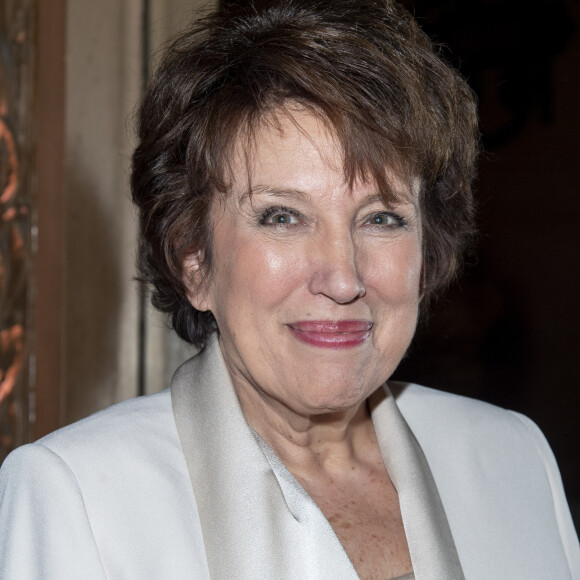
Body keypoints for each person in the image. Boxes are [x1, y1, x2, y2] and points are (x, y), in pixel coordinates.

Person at [1, 0, 578, 578]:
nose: (344, 278)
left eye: (381, 218)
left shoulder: (514, 458)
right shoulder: (76, 496)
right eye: (281, 216)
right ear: (194, 260)